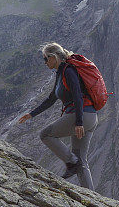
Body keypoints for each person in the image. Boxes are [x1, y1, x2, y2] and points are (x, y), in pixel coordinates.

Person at [17, 42, 98, 190]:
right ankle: (94, 198)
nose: (45, 63)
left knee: (45, 134)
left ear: (53, 57)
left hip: (80, 116)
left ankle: (71, 161)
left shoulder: (68, 71)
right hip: (91, 117)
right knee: (82, 160)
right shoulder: (61, 73)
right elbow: (51, 99)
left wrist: (79, 122)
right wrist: (31, 114)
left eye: (45, 59)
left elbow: (78, 96)